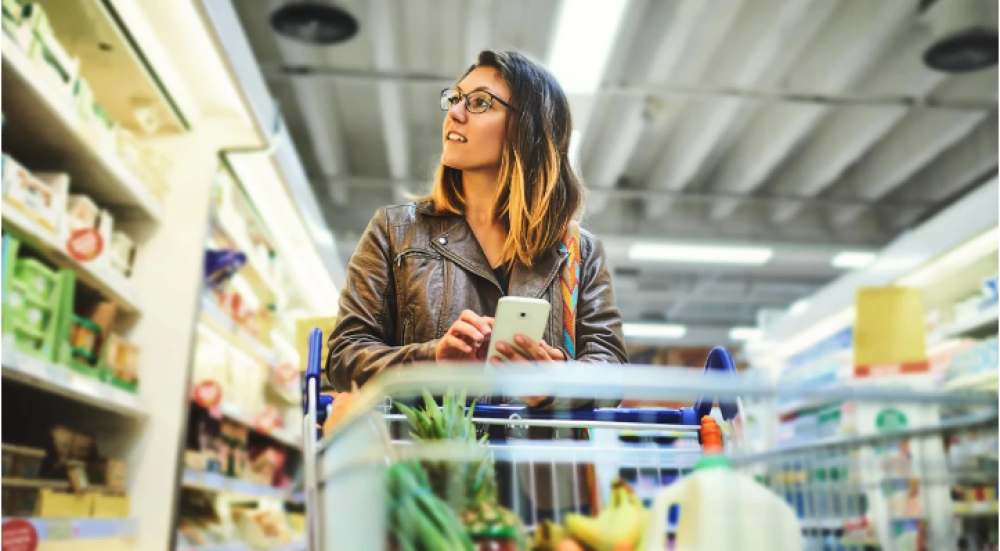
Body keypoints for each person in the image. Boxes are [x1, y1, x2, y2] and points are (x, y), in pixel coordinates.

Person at [326, 50, 628, 518]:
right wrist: (431, 359)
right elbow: (345, 356)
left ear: (529, 129)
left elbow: (610, 366)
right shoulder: (395, 231)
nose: (456, 111)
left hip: (542, 497)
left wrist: (553, 384)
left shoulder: (578, 250)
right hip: (424, 494)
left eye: (481, 102)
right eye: (455, 98)